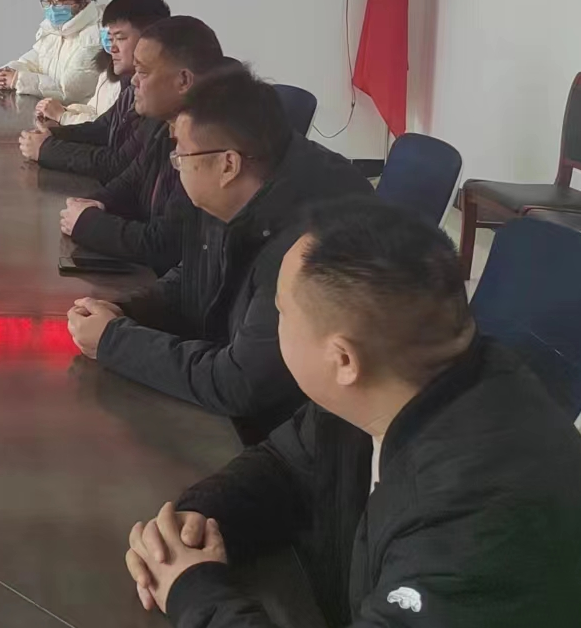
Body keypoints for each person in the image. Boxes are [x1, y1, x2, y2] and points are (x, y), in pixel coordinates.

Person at [123, 197, 581, 628]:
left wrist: (194, 593)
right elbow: (285, 465)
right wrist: (201, 520)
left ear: (342, 360)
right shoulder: (407, 373)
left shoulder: (472, 519)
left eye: (281, 311)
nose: (270, 323)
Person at [69, 65, 371, 439]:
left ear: (228, 164)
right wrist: (125, 312)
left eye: (181, 155)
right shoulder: (236, 191)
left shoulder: (303, 246)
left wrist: (115, 341)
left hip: (288, 437)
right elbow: (193, 276)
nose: (175, 164)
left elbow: (239, 383)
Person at [60, 15, 224, 272]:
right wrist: (96, 203)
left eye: (143, 72)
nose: (134, 80)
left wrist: (88, 224)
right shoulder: (161, 123)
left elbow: (165, 246)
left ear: (183, 80)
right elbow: (131, 180)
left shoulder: (208, 144)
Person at [20, 0, 169, 183]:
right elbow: (104, 127)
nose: (112, 48)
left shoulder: (160, 96)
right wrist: (53, 135)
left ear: (148, 40)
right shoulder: (129, 83)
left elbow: (118, 164)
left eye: (120, 38)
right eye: (110, 38)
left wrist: (47, 149)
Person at [0, 0, 103, 104]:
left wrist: (18, 79)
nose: (52, 7)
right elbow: (31, 62)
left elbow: (70, 91)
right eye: (49, 1)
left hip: (79, 113)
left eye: (60, 1)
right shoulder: (53, 31)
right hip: (48, 108)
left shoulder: (94, 37)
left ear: (80, 2)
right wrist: (7, 72)